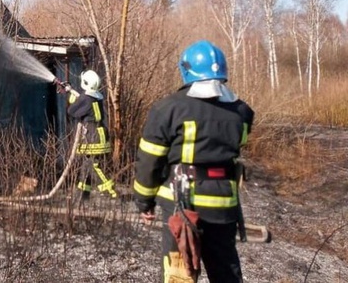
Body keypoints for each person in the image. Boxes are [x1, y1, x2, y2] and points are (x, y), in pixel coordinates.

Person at [133, 40, 254, 283]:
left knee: (180, 272)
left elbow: (149, 161)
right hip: (224, 206)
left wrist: (144, 202)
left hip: (182, 204)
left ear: (186, 70)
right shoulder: (242, 112)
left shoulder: (168, 109)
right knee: (226, 272)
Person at [66, 70, 117, 200]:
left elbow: (72, 112)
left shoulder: (85, 98)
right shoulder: (97, 96)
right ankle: (83, 194)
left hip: (92, 135)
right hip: (98, 133)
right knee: (86, 165)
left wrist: (72, 100)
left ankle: (111, 192)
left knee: (94, 166)